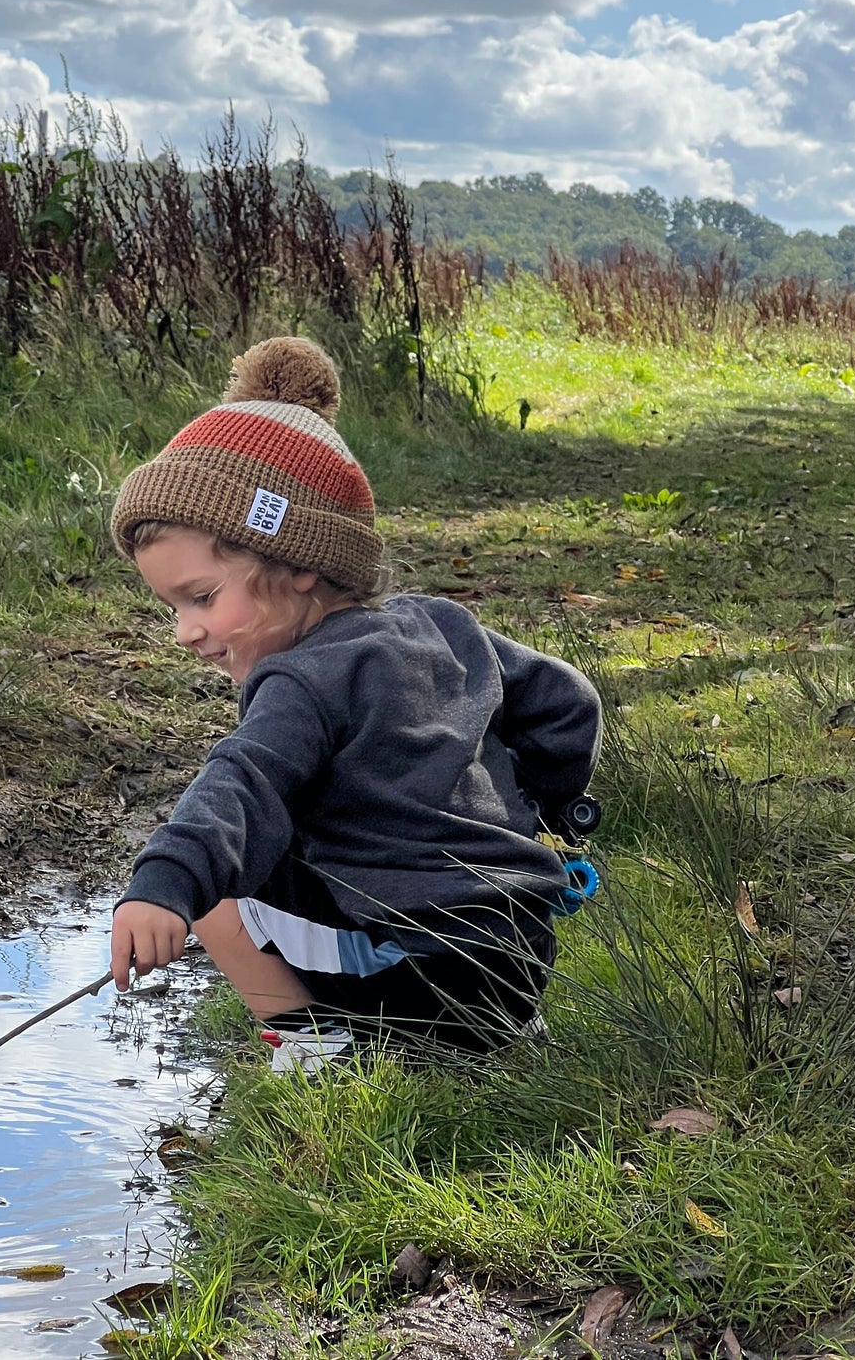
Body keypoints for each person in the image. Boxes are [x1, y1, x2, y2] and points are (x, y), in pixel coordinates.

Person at [106, 335, 603, 1068]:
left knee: (217, 889)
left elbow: (239, 782)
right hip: (518, 956)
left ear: (300, 562)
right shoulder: (443, 622)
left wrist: (162, 885)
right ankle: (504, 1038)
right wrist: (546, 816)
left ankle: (315, 1053)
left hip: (409, 978)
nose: (186, 632)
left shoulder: (299, 681)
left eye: (201, 598)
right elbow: (567, 702)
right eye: (172, 608)